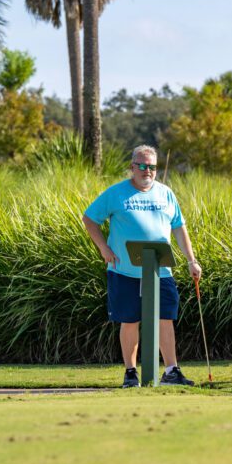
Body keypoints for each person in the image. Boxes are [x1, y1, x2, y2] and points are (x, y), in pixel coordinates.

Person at [82, 145, 201, 388]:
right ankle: (130, 374)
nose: (148, 171)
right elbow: (89, 219)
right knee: (130, 320)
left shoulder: (166, 193)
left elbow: (179, 227)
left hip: (161, 270)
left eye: (153, 167)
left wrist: (191, 260)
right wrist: (104, 249)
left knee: (165, 318)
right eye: (143, 166)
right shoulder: (116, 194)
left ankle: (171, 371)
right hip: (124, 269)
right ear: (132, 167)